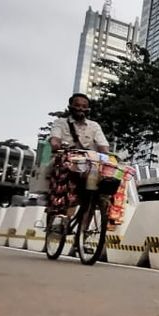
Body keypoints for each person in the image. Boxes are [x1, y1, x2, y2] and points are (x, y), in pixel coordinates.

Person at [45, 93, 110, 223]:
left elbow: (103, 147)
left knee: (103, 186)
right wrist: (56, 144)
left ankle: (83, 232)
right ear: (70, 107)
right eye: (77, 105)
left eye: (84, 106)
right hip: (65, 159)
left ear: (88, 109)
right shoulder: (60, 123)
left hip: (89, 164)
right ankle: (60, 216)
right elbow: (55, 139)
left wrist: (107, 156)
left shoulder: (94, 126)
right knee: (67, 179)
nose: (80, 108)